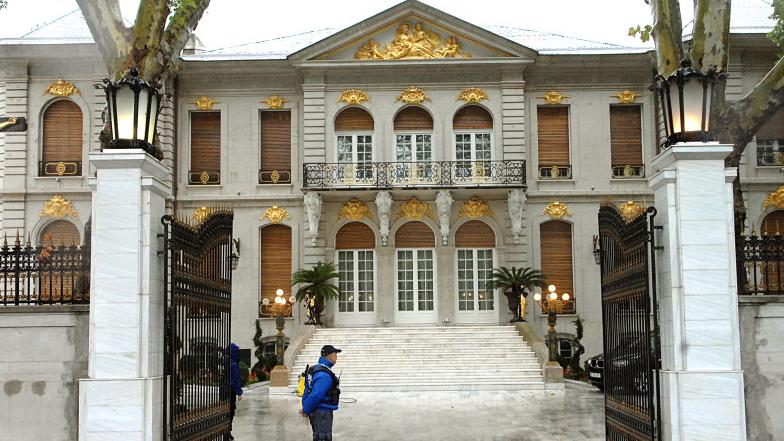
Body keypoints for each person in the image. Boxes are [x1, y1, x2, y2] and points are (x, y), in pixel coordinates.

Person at [300, 345, 342, 441]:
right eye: (335, 355)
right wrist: (306, 409)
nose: (336, 357)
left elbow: (308, 390)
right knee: (323, 438)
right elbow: (315, 396)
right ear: (330, 356)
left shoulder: (319, 369)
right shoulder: (324, 375)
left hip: (319, 412)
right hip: (322, 413)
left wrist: (306, 407)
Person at [226, 343, 243, 441]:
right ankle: (227, 431)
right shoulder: (233, 364)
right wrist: (239, 392)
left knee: (224, 410)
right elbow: (235, 379)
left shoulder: (224, 362)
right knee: (230, 410)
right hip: (231, 391)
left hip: (223, 390)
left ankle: (225, 430)